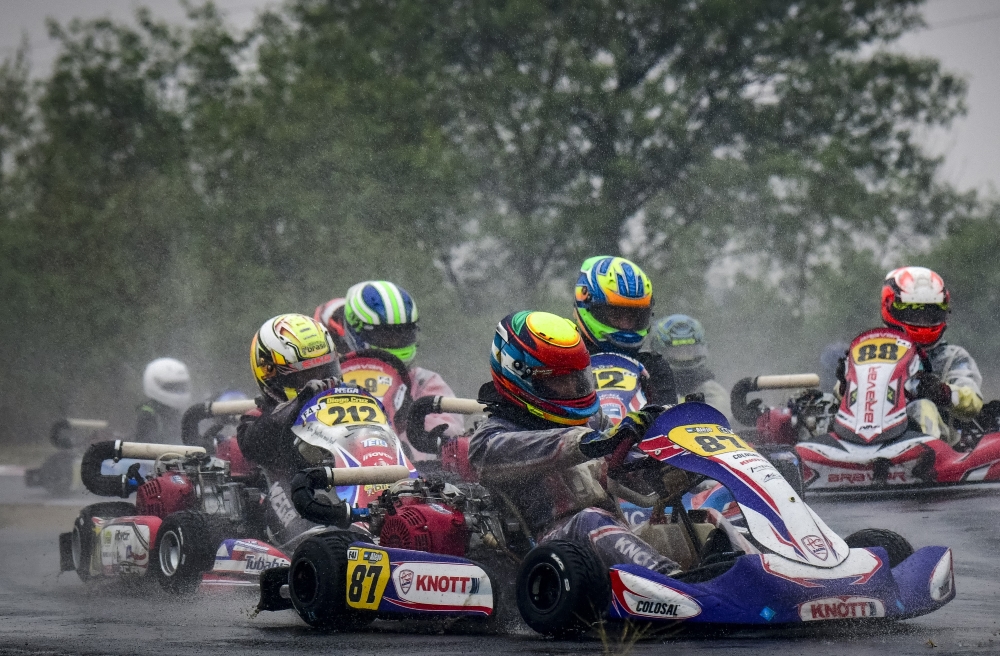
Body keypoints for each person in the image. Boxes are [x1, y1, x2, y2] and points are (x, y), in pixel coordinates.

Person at [468, 310, 681, 575]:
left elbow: (632, 470)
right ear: (521, 374)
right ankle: (676, 585)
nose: (571, 387)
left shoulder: (592, 421)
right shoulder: (490, 438)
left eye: (576, 376)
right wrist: (590, 441)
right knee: (592, 520)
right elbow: (550, 446)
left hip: (610, 536)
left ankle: (729, 577)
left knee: (695, 523)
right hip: (547, 555)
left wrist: (669, 459)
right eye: (557, 378)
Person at [237, 313, 343, 544]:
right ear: (270, 375)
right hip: (294, 490)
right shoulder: (258, 418)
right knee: (316, 530)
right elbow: (253, 445)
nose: (318, 381)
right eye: (304, 376)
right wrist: (300, 402)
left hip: (349, 485)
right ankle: (316, 547)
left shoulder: (347, 403)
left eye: (324, 372)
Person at [342, 280, 464, 453]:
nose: (395, 342)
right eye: (385, 334)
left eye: (402, 333)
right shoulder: (333, 381)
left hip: (409, 474)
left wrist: (411, 437)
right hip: (343, 468)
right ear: (357, 331)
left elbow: (447, 428)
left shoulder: (424, 382)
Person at [879, 266, 983, 445]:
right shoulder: (878, 352)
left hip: (940, 449)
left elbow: (973, 401)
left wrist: (943, 392)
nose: (922, 320)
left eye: (930, 313)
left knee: (922, 407)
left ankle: (924, 461)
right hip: (875, 433)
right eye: (913, 311)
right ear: (891, 308)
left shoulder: (953, 357)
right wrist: (845, 383)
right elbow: (842, 396)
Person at [572, 255, 677, 404]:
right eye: (615, 314)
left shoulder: (655, 368)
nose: (626, 325)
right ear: (587, 305)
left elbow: (667, 422)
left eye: (634, 316)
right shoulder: (567, 364)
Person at [649, 314, 732, 420]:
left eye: (689, 351)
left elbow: (714, 423)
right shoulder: (648, 387)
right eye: (677, 351)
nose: (684, 358)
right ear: (659, 352)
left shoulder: (713, 393)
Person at [135, 358, 192, 443]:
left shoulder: (178, 412)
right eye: (172, 387)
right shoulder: (148, 414)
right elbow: (146, 445)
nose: (179, 392)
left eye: (181, 387)